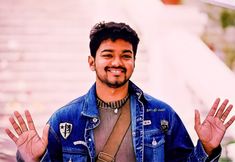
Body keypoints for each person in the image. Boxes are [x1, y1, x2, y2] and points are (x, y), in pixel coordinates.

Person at [5, 21, 235, 162]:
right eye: (107, 54)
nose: (117, 62)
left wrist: (206, 147)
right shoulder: (65, 120)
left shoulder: (162, 115)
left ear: (134, 61)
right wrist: (30, 159)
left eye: (126, 55)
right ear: (91, 62)